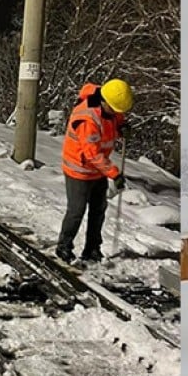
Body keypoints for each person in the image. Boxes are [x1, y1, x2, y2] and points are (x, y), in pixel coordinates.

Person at [55, 79, 133, 264]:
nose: (117, 114)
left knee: (98, 209)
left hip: (97, 171)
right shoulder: (87, 119)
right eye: (115, 110)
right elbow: (93, 154)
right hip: (79, 170)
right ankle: (63, 247)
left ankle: (92, 249)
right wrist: (114, 173)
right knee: (76, 210)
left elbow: (115, 120)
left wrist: (121, 127)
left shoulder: (109, 104)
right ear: (105, 101)